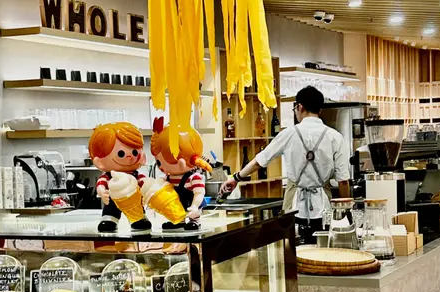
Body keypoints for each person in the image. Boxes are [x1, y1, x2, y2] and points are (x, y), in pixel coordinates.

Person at [219, 85, 351, 244]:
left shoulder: (289, 133)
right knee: (322, 251)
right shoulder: (335, 137)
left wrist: (236, 178)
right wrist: (345, 212)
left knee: (294, 253)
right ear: (320, 109)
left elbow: (260, 161)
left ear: (300, 107)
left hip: (294, 208)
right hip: (324, 209)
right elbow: (343, 181)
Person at [88, 122, 152, 234]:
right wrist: (102, 193)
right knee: (110, 210)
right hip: (112, 200)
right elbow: (101, 184)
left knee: (138, 216)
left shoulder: (136, 175)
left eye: (135, 152)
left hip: (135, 202)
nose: (130, 156)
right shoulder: (108, 176)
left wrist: (148, 190)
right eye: (121, 153)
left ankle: (139, 219)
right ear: (100, 162)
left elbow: (144, 183)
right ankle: (109, 219)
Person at [150, 117, 212, 231]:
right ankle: (179, 221)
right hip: (178, 205)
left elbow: (199, 193)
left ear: (181, 163)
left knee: (193, 213)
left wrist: (195, 206)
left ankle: (195, 221)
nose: (160, 166)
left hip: (191, 202)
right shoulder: (168, 177)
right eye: (158, 162)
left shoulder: (194, 178)